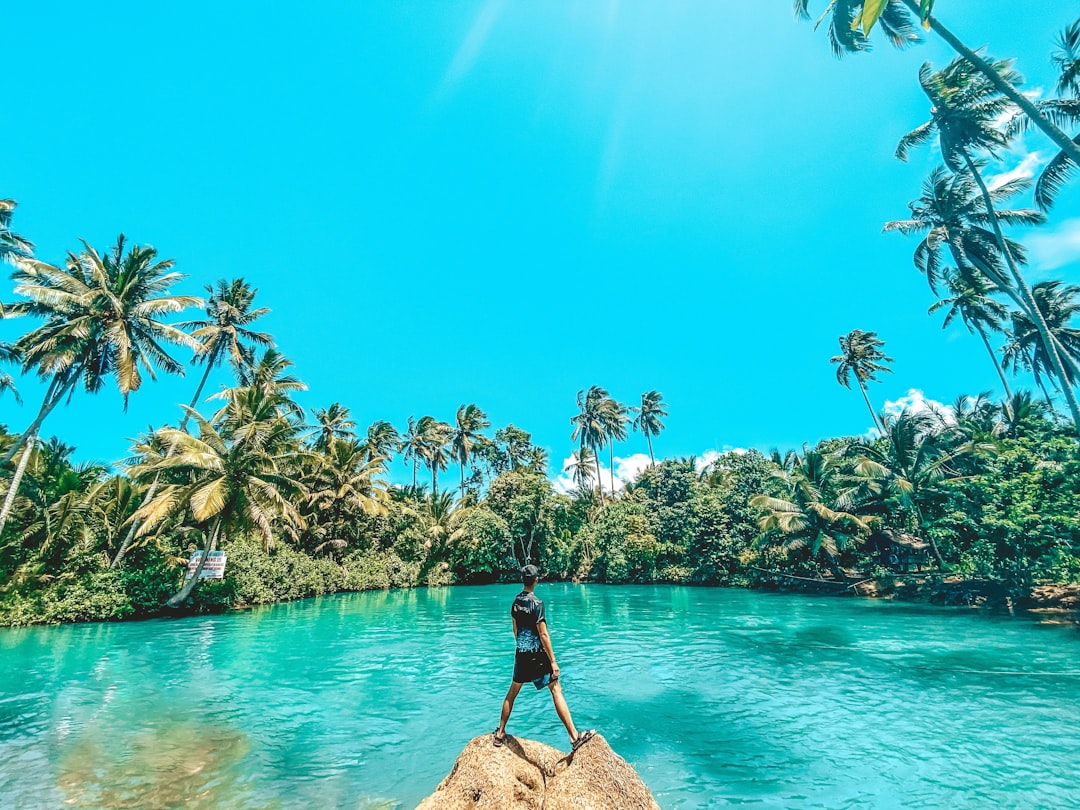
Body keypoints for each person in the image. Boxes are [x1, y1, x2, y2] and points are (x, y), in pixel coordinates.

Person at [493, 564, 595, 752]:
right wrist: (554, 662)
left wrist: (522, 646)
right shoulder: (537, 604)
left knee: (512, 692)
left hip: (521, 654)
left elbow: (515, 629)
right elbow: (544, 635)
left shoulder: (516, 602)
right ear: (536, 580)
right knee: (556, 689)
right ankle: (574, 737)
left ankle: (499, 733)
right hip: (537, 656)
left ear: (523, 580)